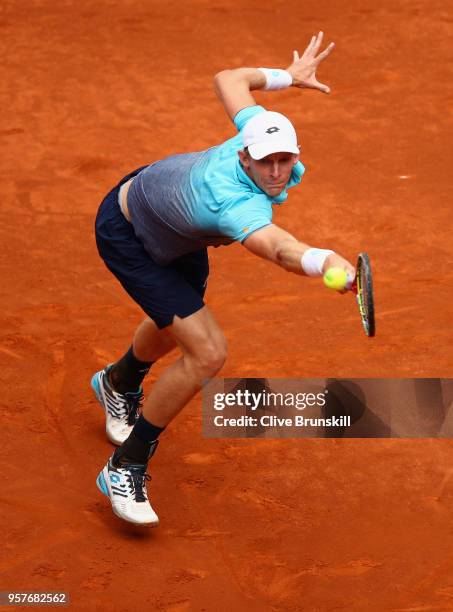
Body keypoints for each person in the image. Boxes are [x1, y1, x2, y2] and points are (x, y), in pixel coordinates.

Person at [92, 32, 356, 526]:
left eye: (286, 159)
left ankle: (117, 381)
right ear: (244, 159)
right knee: (207, 350)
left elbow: (229, 79)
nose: (278, 171)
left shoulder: (257, 130)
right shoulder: (234, 205)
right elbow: (278, 248)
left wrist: (287, 78)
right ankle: (125, 464)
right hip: (130, 234)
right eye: (267, 163)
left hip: (169, 220)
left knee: (175, 325)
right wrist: (325, 264)